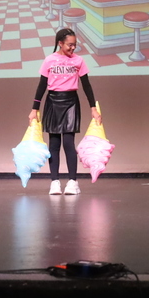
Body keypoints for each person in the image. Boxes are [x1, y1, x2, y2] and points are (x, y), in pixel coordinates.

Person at [28, 28, 100, 195]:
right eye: (69, 45)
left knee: (68, 143)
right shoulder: (49, 60)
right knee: (54, 144)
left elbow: (86, 85)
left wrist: (93, 108)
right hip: (53, 101)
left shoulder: (79, 61)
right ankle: (54, 182)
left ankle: (73, 182)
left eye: (74, 45)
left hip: (70, 102)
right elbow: (41, 86)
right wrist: (34, 109)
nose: (72, 48)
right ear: (60, 43)